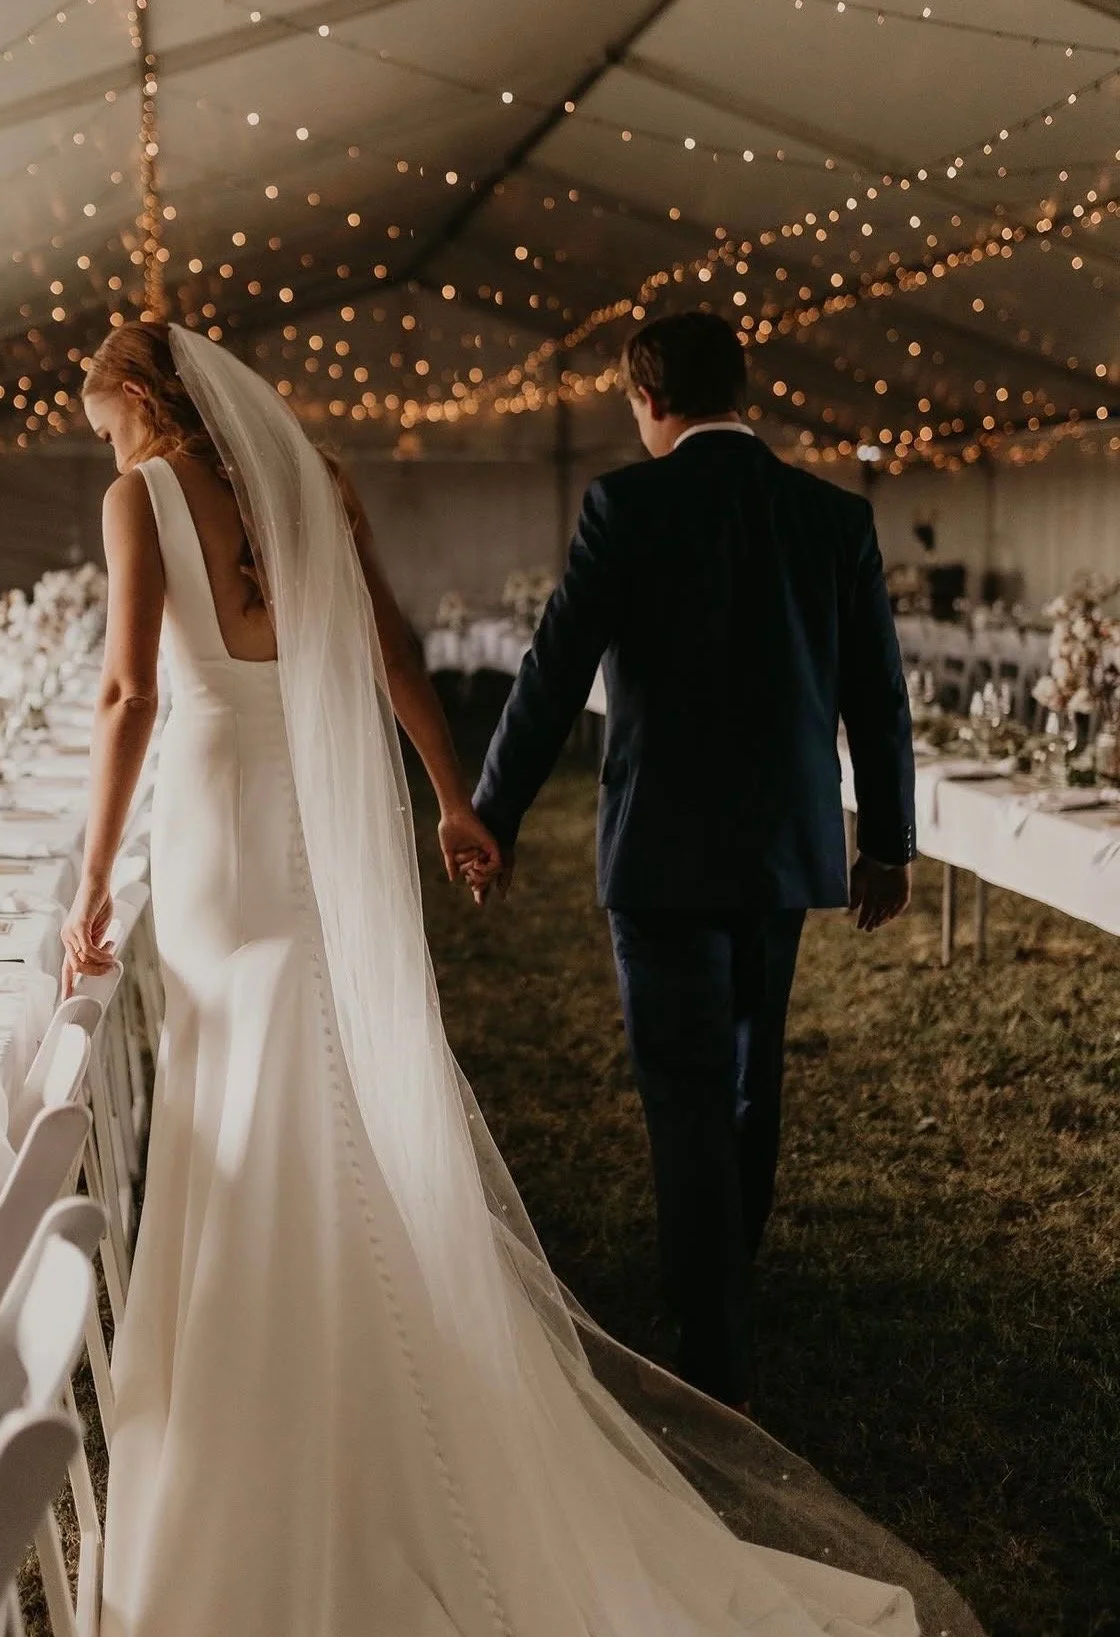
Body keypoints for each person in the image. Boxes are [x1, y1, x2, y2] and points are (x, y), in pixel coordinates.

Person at [63, 319, 977, 1637]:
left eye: (103, 420)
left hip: (233, 843)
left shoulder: (136, 496)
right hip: (367, 839)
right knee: (356, 1088)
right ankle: (599, 1333)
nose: (106, 441)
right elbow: (395, 658)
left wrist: (97, 883)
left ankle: (272, 1401)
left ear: (136, 406)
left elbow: (128, 694)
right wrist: (453, 802)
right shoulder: (312, 478)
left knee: (244, 1098)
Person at [471, 311, 916, 1416]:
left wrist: (495, 810)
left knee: (683, 1093)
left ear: (646, 398)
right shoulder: (831, 514)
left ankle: (712, 1351)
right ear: (743, 387)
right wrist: (889, 840)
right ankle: (728, 1279)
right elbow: (879, 694)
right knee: (751, 1073)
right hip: (783, 851)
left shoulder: (629, 503)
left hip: (663, 850)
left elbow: (553, 664)